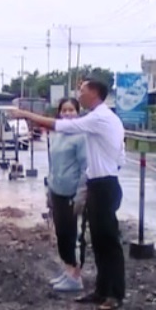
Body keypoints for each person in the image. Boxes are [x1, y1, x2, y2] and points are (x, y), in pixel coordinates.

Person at [11, 78, 126, 310]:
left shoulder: (100, 117)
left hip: (104, 184)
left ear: (94, 93)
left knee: (109, 241)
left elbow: (61, 126)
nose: (79, 94)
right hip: (97, 184)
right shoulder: (98, 117)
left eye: (82, 91)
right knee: (99, 241)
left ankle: (115, 294)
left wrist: (25, 114)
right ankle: (102, 290)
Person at [46, 98, 88, 292]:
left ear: (78, 113)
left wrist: (80, 195)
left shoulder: (81, 136)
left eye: (72, 110)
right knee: (61, 233)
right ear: (59, 113)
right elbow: (52, 164)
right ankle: (68, 270)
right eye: (64, 110)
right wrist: (49, 189)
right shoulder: (56, 134)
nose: (68, 113)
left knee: (72, 235)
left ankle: (76, 276)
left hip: (71, 193)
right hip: (57, 191)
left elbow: (85, 168)